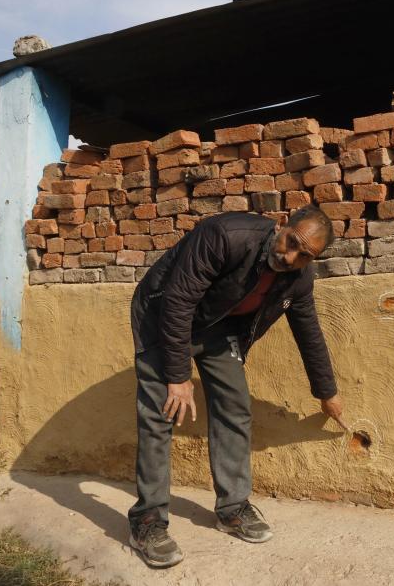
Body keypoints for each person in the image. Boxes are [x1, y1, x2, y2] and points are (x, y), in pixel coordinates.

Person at [127, 205, 343, 567]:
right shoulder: (225, 236)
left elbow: (309, 333)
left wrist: (327, 393)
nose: (290, 257)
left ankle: (233, 508)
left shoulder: (298, 278)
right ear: (281, 223)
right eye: (291, 242)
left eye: (304, 255)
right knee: (161, 412)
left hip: (217, 328)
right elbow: (178, 300)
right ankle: (147, 520)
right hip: (161, 314)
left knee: (234, 407)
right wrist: (178, 378)